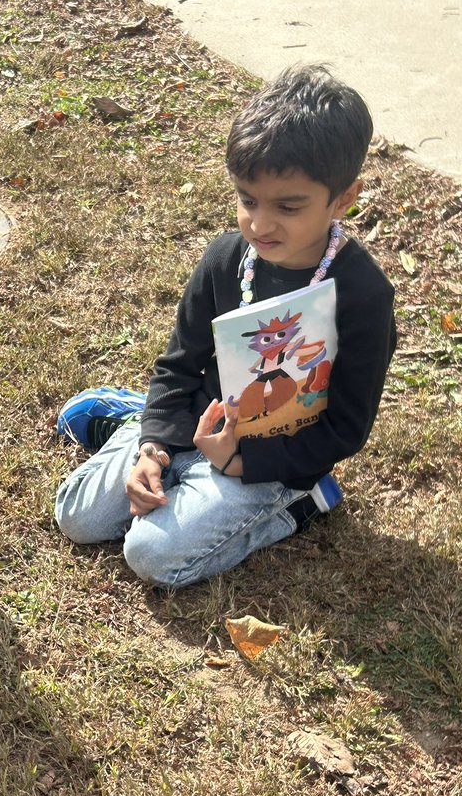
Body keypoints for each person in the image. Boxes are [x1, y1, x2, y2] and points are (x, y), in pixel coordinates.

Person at [54, 65, 395, 589]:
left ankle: (302, 503)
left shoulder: (363, 296)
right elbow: (178, 365)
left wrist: (241, 461)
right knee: (77, 517)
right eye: (247, 200)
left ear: (344, 198)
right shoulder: (226, 259)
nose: (260, 224)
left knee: (151, 555)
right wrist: (154, 446)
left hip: (278, 456)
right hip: (195, 419)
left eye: (288, 207)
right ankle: (137, 420)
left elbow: (346, 428)